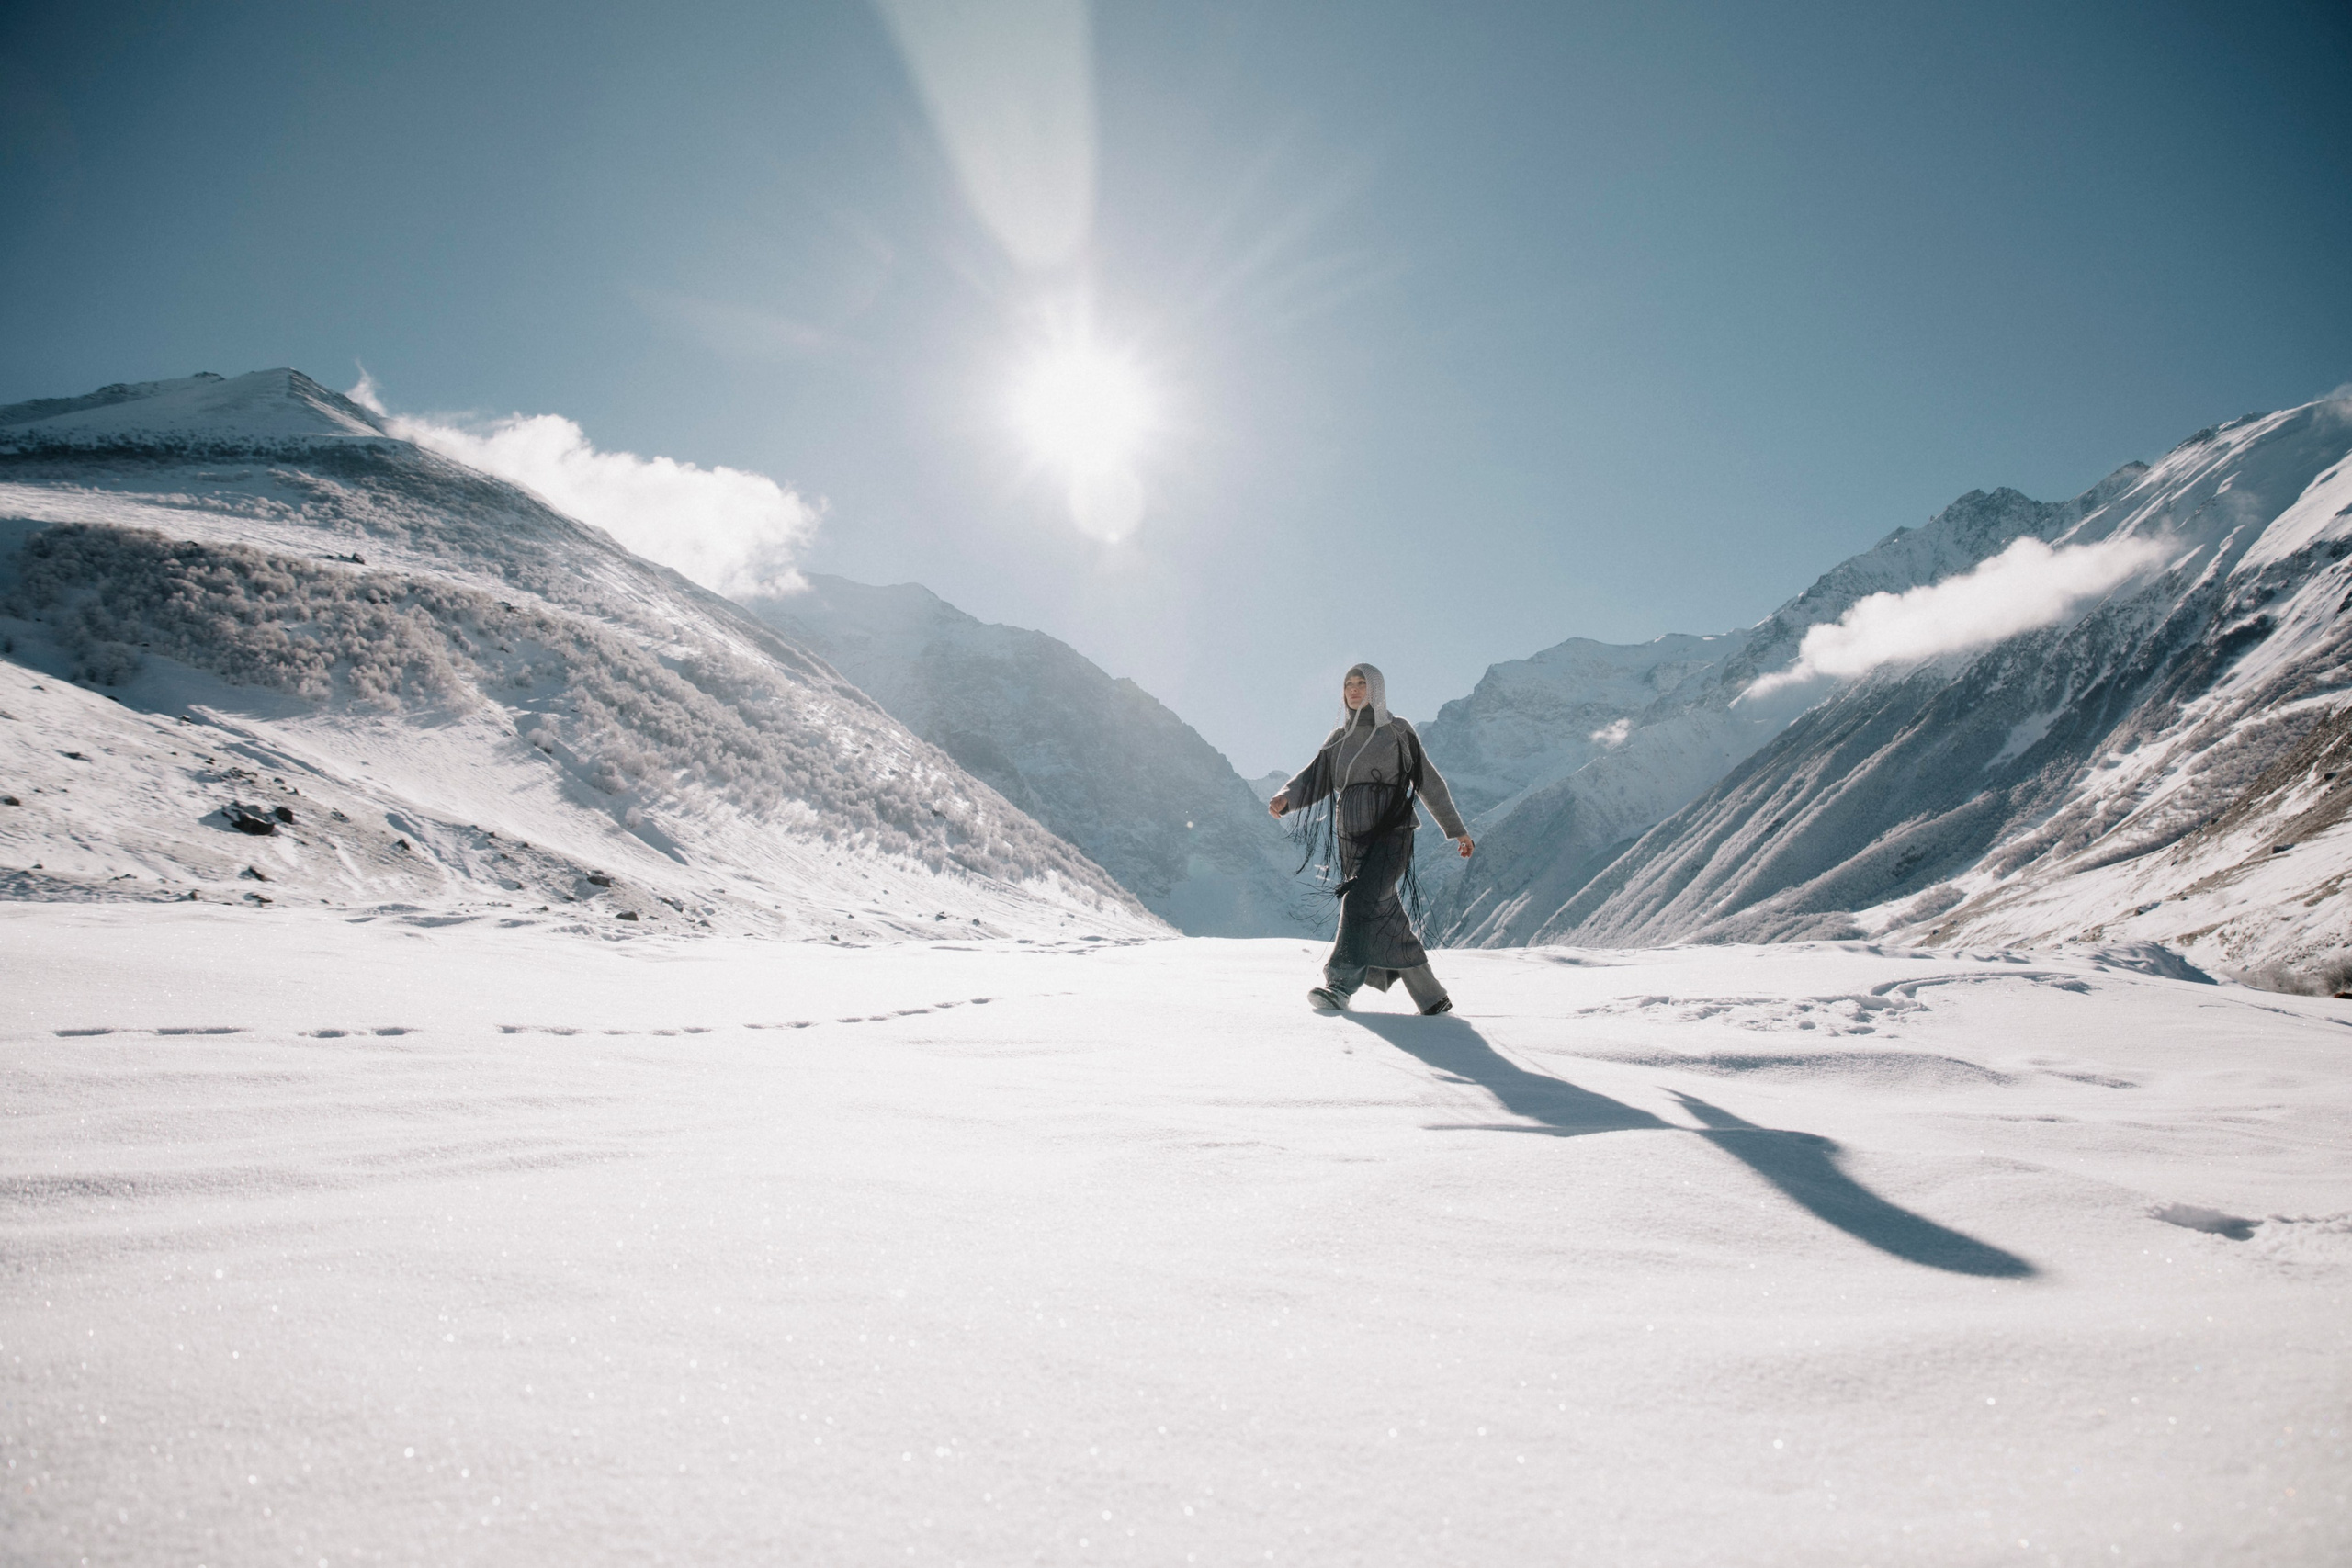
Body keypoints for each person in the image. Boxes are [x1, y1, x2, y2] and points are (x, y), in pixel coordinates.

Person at [1267, 662, 1475, 1014]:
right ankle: (1432, 998)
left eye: (1362, 683)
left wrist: (1457, 830)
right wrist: (1287, 796)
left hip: (1392, 831)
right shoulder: (1338, 740)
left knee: (1362, 898)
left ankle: (1339, 985)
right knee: (1383, 909)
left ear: (1376, 688)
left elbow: (1429, 783)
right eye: (1349, 684)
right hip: (1351, 837)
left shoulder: (1398, 731)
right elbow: (1314, 777)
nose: (1354, 690)